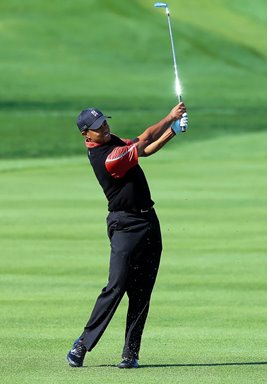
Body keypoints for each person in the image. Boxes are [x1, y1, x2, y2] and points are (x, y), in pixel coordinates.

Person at [66, 102, 188, 368]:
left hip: (148, 221)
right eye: (99, 127)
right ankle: (82, 345)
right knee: (116, 286)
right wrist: (173, 131)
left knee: (142, 290)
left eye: (105, 122)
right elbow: (144, 147)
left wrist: (170, 117)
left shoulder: (113, 143)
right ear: (87, 134)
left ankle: (130, 354)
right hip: (125, 224)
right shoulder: (108, 158)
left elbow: (145, 140)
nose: (105, 128)